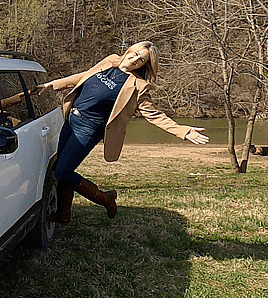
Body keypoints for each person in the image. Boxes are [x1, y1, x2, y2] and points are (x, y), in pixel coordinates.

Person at [34, 41, 209, 224]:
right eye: (134, 54)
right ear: (129, 50)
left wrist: (183, 130)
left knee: (63, 171)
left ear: (144, 65)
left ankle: (105, 199)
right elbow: (82, 77)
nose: (134, 60)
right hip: (71, 119)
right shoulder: (110, 61)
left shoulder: (138, 86)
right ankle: (63, 214)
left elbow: (154, 115)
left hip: (89, 128)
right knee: (63, 167)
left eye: (141, 60)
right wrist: (51, 85)